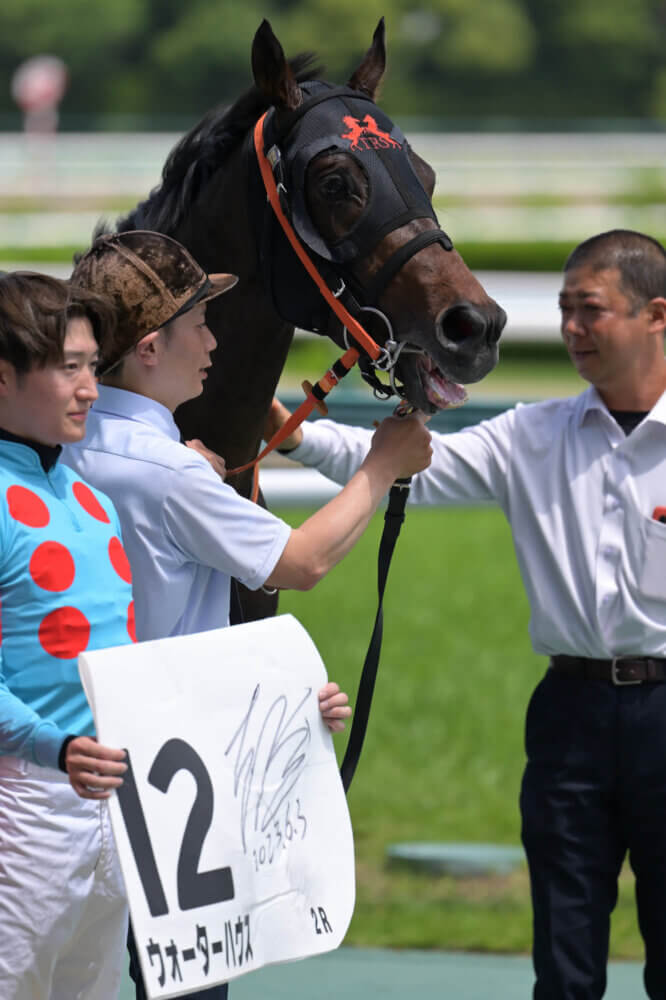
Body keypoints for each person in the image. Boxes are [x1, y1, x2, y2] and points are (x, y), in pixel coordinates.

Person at [265, 229, 666, 1000]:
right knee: (565, 947)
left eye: (592, 311)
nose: (573, 329)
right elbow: (417, 461)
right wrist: (294, 435)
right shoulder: (533, 435)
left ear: (656, 315)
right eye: (564, 311)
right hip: (571, 715)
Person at [64, 229, 433, 1000]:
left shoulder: (68, 443)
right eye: (201, 322)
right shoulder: (168, 471)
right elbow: (301, 563)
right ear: (151, 347)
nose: (213, 340)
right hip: (169, 768)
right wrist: (382, 465)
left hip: (72, 763)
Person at [0, 271, 133, 999]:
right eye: (68, 368)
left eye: (92, 367)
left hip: (108, 796)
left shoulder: (93, 499)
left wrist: (293, 701)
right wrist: (53, 748)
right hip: (25, 799)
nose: (89, 388)